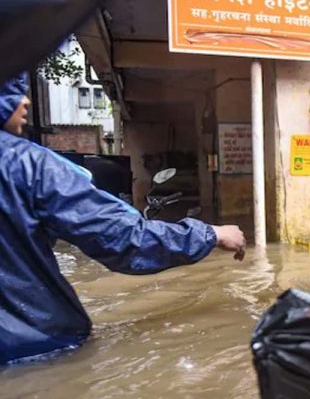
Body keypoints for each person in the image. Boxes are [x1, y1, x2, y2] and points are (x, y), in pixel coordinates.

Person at [0, 73, 247, 365]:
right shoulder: (27, 163)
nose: (26, 100)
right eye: (13, 90)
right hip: (39, 349)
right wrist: (211, 234)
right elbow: (126, 239)